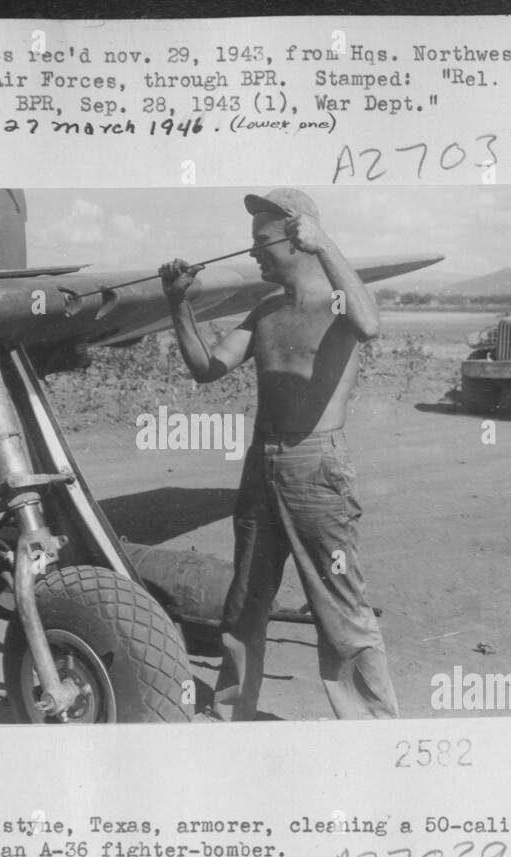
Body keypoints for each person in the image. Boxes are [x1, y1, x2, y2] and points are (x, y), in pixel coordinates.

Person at [159, 188, 400, 721]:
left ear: (297, 236)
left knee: (338, 608)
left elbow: (369, 324)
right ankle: (231, 714)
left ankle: (373, 734)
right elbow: (206, 368)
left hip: (315, 468)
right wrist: (178, 302)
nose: (253, 253)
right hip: (260, 467)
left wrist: (326, 244)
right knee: (244, 603)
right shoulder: (264, 309)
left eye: (261, 241)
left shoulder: (337, 302)